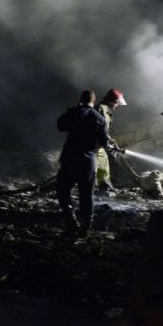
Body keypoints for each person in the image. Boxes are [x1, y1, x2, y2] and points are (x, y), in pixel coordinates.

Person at [56, 90, 110, 237]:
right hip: (88, 162)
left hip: (70, 159)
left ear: (80, 100)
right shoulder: (99, 118)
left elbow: (60, 126)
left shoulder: (73, 113)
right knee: (86, 195)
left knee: (62, 190)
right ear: (93, 101)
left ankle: (71, 221)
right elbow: (104, 142)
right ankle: (85, 228)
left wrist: (71, 112)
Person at [95, 88, 127, 194]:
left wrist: (110, 140)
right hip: (93, 145)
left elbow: (104, 130)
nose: (117, 106)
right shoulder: (101, 109)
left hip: (98, 145)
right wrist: (106, 142)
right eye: (117, 103)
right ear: (112, 101)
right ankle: (99, 188)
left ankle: (104, 188)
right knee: (95, 167)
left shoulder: (105, 110)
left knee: (104, 164)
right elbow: (98, 128)